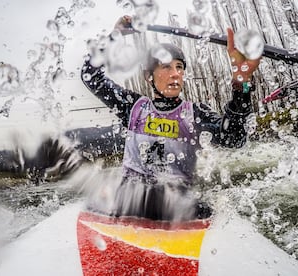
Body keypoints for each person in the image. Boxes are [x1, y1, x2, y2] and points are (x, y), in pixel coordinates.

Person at [81, 15, 260, 221]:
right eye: (166, 67)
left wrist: (241, 85)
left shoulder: (195, 114)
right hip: (132, 197)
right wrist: (115, 37)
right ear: (149, 76)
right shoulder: (133, 107)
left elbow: (234, 138)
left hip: (175, 202)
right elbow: (91, 76)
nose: (175, 74)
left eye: (179, 67)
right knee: (102, 194)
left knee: (198, 206)